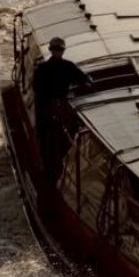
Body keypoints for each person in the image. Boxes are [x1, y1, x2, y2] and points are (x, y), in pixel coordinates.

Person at [32, 36, 91, 178]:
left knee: (61, 135)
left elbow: (83, 78)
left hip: (56, 106)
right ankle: (49, 167)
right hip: (48, 107)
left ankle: (55, 166)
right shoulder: (49, 68)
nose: (58, 52)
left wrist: (87, 82)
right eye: (56, 49)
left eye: (60, 50)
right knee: (47, 136)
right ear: (51, 50)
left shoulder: (63, 67)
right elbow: (37, 89)